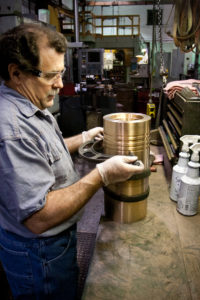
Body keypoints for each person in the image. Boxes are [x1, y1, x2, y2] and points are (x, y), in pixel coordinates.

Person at [0, 23, 144, 300]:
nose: (60, 84)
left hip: (55, 243)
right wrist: (101, 174)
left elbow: (43, 153)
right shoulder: (12, 129)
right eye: (51, 75)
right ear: (16, 73)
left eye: (62, 73)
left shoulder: (29, 107)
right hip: (40, 253)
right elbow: (38, 218)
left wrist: (84, 137)